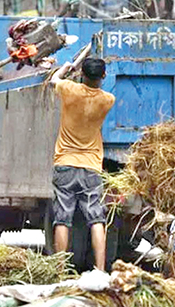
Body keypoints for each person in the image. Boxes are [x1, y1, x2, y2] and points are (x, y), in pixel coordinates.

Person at [48, 58, 116, 271]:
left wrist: (65, 68)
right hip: (91, 166)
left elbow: (53, 80)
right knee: (96, 219)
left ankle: (59, 269)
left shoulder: (70, 89)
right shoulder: (108, 100)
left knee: (62, 218)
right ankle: (101, 269)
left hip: (65, 163)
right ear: (103, 76)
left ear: (81, 75)